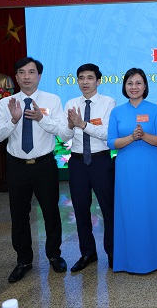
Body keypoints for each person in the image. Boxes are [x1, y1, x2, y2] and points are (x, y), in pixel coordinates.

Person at [0, 57, 67, 283]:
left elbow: (63, 132)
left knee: (51, 212)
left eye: (31, 72)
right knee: (19, 215)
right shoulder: (5, 104)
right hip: (17, 167)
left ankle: (54, 255)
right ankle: (23, 260)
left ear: (39, 76)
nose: (27, 76)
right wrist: (13, 121)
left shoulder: (52, 100)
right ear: (16, 77)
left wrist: (42, 118)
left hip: (44, 165)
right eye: (22, 72)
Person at [107, 68, 157, 273]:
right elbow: (111, 142)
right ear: (124, 86)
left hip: (150, 167)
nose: (134, 87)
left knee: (151, 210)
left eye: (138, 83)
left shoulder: (155, 110)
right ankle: (128, 260)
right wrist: (131, 137)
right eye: (130, 83)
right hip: (126, 167)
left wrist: (143, 136)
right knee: (129, 211)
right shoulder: (117, 112)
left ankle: (156, 259)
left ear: (145, 86)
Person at [58, 63, 116, 272]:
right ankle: (87, 253)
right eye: (81, 78)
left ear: (98, 81)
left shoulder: (108, 102)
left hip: (101, 161)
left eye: (90, 78)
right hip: (77, 162)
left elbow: (107, 133)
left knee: (108, 209)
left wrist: (82, 124)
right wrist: (70, 125)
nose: (85, 82)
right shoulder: (71, 103)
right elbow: (64, 136)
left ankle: (112, 252)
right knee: (81, 210)